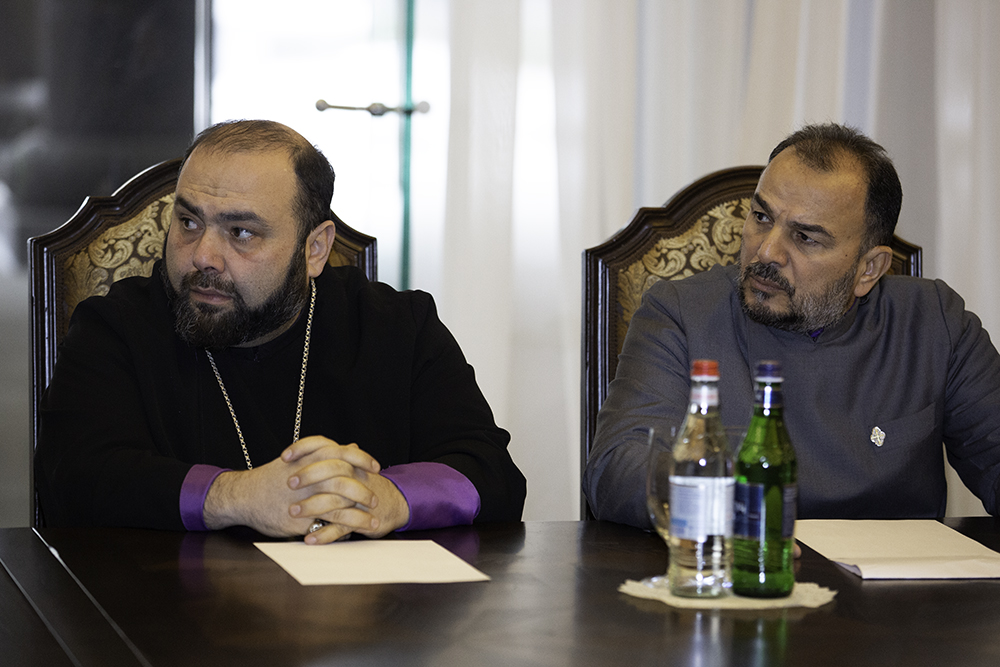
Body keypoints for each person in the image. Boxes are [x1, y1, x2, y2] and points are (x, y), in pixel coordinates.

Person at [35, 120, 526, 544]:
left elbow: (490, 471)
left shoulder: (398, 326)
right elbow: (70, 477)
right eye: (188, 222)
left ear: (315, 249)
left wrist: (389, 498)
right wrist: (235, 495)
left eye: (241, 232)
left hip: (362, 615)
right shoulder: (115, 327)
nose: (203, 256)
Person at [584, 123, 1000, 528]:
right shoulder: (682, 315)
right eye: (761, 216)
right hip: (746, 563)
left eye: (805, 237)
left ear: (869, 269)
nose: (767, 251)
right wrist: (735, 508)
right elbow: (617, 467)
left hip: (899, 575)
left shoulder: (935, 323)